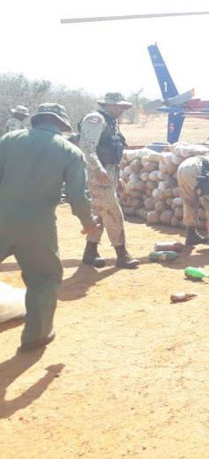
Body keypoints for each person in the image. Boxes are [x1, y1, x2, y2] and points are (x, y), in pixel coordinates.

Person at [0, 103, 98, 351]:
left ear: (37, 120)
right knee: (44, 278)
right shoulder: (69, 151)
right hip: (38, 226)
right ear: (62, 125)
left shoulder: (9, 140)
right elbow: (78, 195)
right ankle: (37, 336)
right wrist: (88, 223)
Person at [78, 92, 139, 269]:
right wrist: (98, 169)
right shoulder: (95, 119)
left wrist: (116, 178)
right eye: (119, 106)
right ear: (109, 105)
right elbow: (87, 148)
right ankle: (122, 254)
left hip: (107, 172)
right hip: (96, 173)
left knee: (100, 214)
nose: (121, 110)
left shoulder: (111, 122)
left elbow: (112, 152)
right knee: (113, 212)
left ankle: (90, 252)